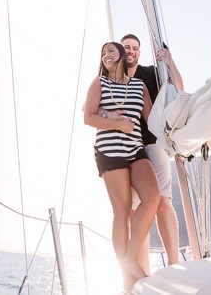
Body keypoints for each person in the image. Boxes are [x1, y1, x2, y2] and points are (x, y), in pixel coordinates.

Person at [83, 41, 160, 289]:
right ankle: (126, 269)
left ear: (122, 56)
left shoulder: (139, 86)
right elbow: (88, 117)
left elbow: (152, 118)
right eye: (103, 52)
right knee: (123, 211)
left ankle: (128, 259)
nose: (106, 54)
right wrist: (117, 124)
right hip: (109, 150)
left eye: (110, 51)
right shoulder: (99, 83)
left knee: (153, 197)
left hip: (135, 148)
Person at [102, 35, 183, 268]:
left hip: (152, 143)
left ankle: (174, 264)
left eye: (135, 48)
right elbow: (93, 108)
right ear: (119, 50)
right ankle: (140, 270)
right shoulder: (109, 77)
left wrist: (169, 61)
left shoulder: (149, 74)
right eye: (126, 47)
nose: (130, 51)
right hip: (126, 148)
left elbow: (178, 89)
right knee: (134, 211)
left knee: (163, 200)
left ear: (139, 52)